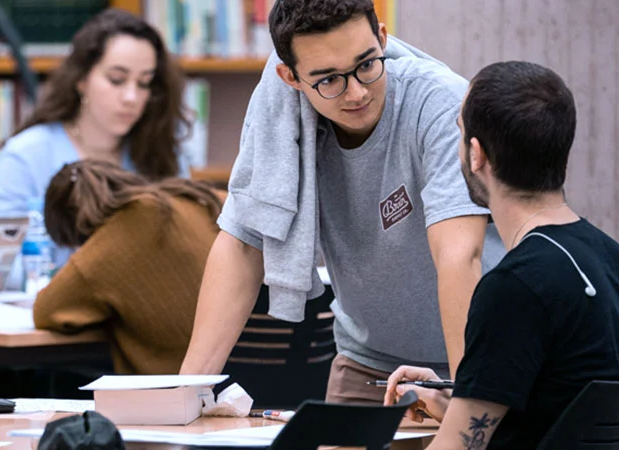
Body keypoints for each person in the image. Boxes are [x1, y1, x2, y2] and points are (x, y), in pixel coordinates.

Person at [178, 0, 505, 405]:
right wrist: (187, 393)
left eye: (367, 64)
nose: (356, 92)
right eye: (328, 80)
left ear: (382, 37)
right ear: (290, 77)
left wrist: (465, 398)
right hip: (369, 364)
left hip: (479, 361)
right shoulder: (280, 118)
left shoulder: (438, 102)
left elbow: (459, 256)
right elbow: (244, 244)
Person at [381, 61, 619, 450]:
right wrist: (451, 400)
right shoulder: (617, 263)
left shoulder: (513, 287)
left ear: (476, 155)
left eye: (458, 134)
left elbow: (460, 447)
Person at [0, 8, 192, 219]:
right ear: (81, 80)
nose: (131, 97)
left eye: (144, 83)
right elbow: (1, 248)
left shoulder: (164, 153)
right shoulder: (26, 155)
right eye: (116, 79)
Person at [33, 160, 220, 374]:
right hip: (240, 372)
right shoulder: (189, 196)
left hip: (181, 386)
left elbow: (45, 311)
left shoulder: (100, 253)